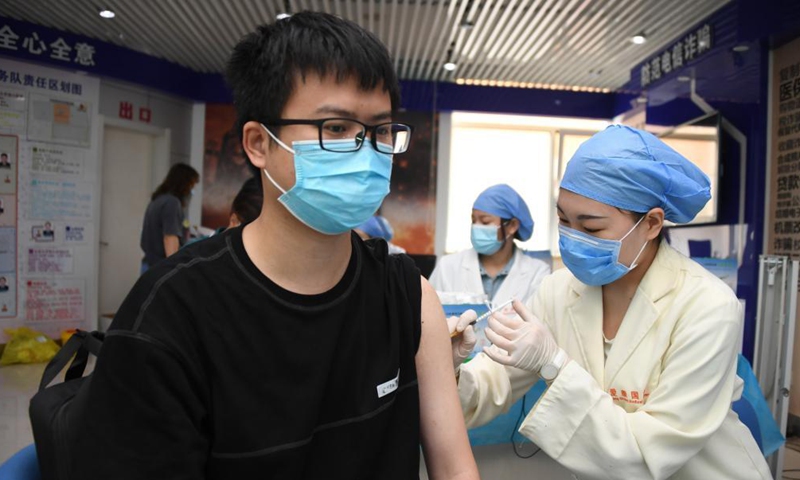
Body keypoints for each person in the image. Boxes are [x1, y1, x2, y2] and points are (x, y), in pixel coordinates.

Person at [69, 12, 478, 479]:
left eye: (380, 131)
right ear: (259, 144)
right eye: (338, 128)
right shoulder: (173, 313)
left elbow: (454, 466)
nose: (366, 153)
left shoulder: (406, 294)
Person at [450, 125, 771, 479]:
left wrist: (555, 364)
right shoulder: (557, 291)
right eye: (563, 220)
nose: (571, 238)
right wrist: (449, 370)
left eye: (591, 229)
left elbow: (649, 457)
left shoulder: (706, 306)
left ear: (651, 224)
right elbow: (493, 384)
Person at [430, 184, 550, 307]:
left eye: (485, 222)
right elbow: (426, 315)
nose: (476, 227)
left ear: (512, 226)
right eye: (473, 220)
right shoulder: (447, 267)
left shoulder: (537, 274)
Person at [139, 163, 199, 273]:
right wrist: (174, 271)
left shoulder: (157, 200)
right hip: (161, 269)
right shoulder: (172, 203)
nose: (192, 190)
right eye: (192, 185)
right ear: (184, 183)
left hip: (149, 265)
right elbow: (170, 238)